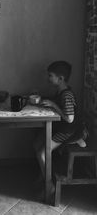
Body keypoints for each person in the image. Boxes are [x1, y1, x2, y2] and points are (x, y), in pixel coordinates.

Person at [34, 61, 86, 193]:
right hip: (60, 127)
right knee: (36, 143)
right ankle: (44, 173)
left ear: (61, 78)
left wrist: (53, 105)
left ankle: (50, 185)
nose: (48, 78)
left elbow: (69, 118)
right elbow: (57, 103)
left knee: (42, 152)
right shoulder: (61, 91)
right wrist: (46, 100)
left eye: (50, 76)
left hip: (68, 130)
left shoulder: (66, 95)